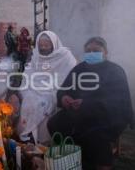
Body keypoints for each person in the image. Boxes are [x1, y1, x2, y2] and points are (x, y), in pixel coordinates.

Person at [47, 37, 134, 170]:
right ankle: (70, 155)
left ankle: (102, 163)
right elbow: (64, 89)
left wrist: (88, 103)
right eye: (88, 51)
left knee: (95, 136)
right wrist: (64, 98)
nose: (92, 53)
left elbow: (117, 101)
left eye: (96, 50)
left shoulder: (115, 71)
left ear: (105, 52)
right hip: (79, 113)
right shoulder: (79, 69)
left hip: (107, 117)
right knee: (54, 123)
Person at [17, 31, 76, 143]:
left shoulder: (65, 56)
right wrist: (29, 87)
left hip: (55, 89)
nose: (43, 48)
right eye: (41, 45)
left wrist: (49, 87)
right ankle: (29, 136)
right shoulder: (36, 56)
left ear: (54, 44)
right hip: (35, 88)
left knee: (43, 103)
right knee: (29, 100)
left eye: (46, 45)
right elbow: (28, 73)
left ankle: (43, 140)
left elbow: (67, 77)